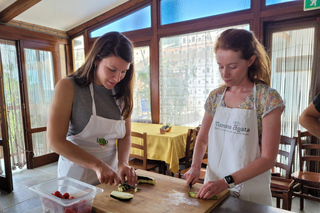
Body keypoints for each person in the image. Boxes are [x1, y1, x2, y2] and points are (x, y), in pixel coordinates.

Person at [184, 29, 285, 206]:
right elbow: (202, 139)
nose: (225, 74)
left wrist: (225, 182)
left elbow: (268, 159)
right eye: (220, 66)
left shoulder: (267, 98)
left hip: (250, 193)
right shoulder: (216, 97)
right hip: (212, 187)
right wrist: (194, 167)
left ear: (250, 61)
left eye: (232, 66)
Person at [47, 31, 137, 186]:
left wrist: (123, 162)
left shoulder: (122, 92)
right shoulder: (68, 87)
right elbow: (55, 141)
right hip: (75, 177)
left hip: (110, 177)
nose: (117, 78)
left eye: (123, 71)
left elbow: (125, 136)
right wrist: (97, 165)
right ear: (96, 59)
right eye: (112, 69)